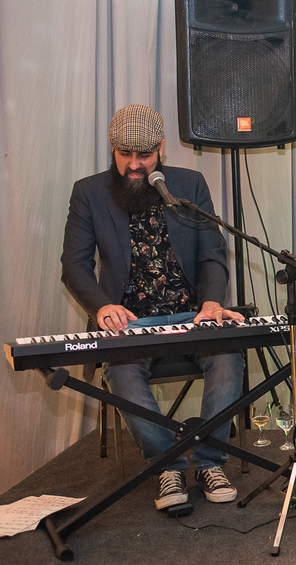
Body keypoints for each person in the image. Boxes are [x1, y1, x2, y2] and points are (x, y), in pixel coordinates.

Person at [61, 104, 246, 510]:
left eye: (143, 155)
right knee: (123, 373)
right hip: (129, 320)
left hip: (192, 314)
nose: (134, 165)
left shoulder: (190, 184)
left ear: (160, 148)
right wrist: (101, 308)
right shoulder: (88, 192)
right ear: (112, 149)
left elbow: (213, 253)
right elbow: (74, 267)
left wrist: (212, 301)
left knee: (229, 356)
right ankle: (168, 465)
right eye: (125, 155)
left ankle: (210, 462)